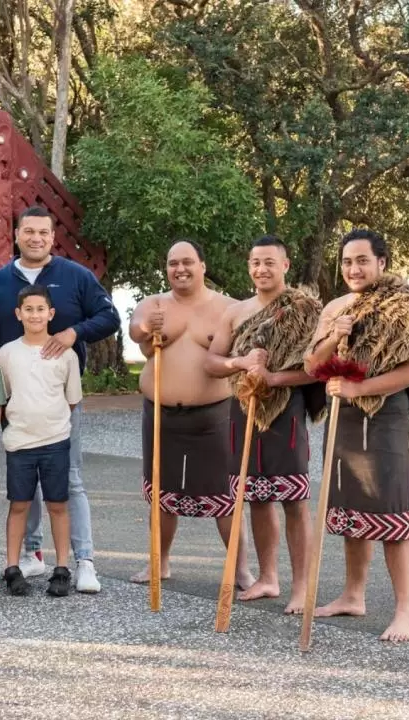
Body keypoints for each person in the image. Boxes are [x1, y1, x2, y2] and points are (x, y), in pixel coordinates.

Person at [303, 229, 409, 643]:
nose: (354, 269)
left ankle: (404, 610)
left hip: (386, 418)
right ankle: (353, 595)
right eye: (347, 261)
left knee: (390, 513)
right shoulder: (335, 307)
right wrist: (334, 335)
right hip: (343, 419)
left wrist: (357, 389)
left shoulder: (406, 307)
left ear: (382, 263)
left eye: (362, 260)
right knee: (352, 511)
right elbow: (313, 365)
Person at [0, 206, 120, 594]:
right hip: (17, 398)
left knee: (70, 482)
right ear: (16, 235)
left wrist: (73, 334)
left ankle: (84, 561)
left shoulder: (75, 276)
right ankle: (30, 554)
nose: (36, 238)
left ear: (52, 237)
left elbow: (109, 317)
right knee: (23, 485)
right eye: (28, 232)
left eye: (43, 232)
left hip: (60, 400)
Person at [205, 236, 324, 614]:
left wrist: (273, 378)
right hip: (243, 410)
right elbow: (212, 361)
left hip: (286, 411)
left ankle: (302, 586)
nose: (261, 269)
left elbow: (316, 367)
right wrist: (241, 365)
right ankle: (268, 577)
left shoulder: (305, 310)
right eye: (255, 262)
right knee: (255, 497)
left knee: (293, 500)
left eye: (270, 262)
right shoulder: (235, 312)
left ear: (286, 265)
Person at [128, 240, 255, 590]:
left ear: (202, 265)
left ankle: (239, 568)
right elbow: (135, 328)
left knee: (224, 495)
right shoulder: (154, 304)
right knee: (161, 493)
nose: (179, 269)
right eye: (172, 263)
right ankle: (160, 561)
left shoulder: (229, 307)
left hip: (214, 415)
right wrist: (145, 329)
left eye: (187, 262)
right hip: (160, 414)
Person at [0, 285, 82, 596]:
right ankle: (12, 567)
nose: (35, 314)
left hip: (56, 440)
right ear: (19, 314)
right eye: (28, 309)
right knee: (19, 504)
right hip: (19, 442)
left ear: (51, 313)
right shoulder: (7, 353)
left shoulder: (66, 355)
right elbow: (3, 395)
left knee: (57, 504)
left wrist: (51, 420)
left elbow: (71, 399)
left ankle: (61, 568)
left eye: (40, 309)